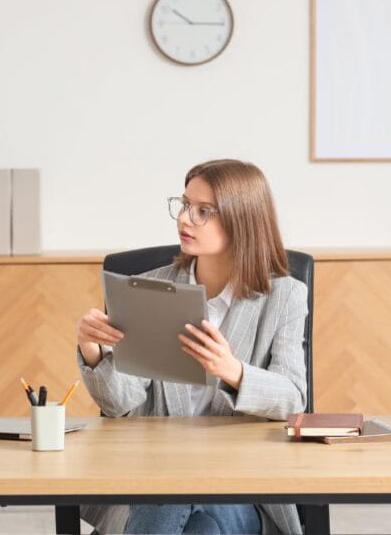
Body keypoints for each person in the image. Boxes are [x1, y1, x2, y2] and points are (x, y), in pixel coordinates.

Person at [75, 159, 308, 534]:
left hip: (242, 488)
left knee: (178, 488)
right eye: (184, 205)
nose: (185, 219)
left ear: (242, 220)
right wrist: (92, 350)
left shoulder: (285, 297)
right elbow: (119, 404)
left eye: (203, 212)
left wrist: (233, 372)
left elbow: (293, 399)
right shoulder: (149, 287)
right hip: (150, 481)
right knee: (196, 520)